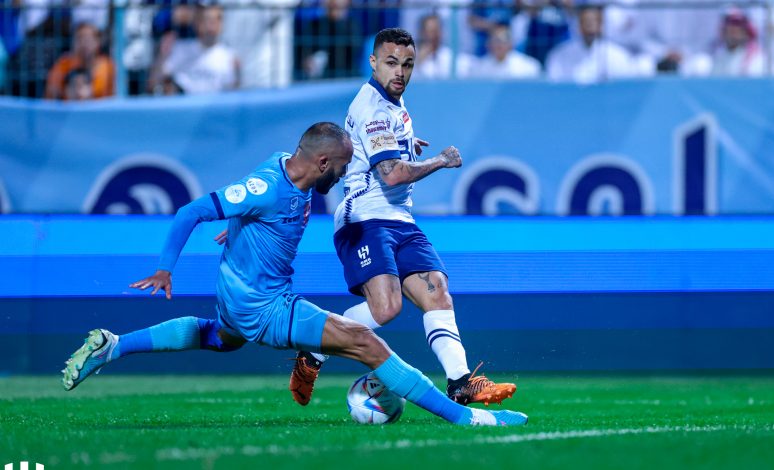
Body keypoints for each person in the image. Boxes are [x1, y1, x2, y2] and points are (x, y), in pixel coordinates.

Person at [60, 122, 528, 428]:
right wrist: (165, 269)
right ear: (323, 163)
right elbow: (190, 211)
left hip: (237, 298)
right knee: (367, 343)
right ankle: (465, 419)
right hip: (263, 306)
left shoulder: (290, 165)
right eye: (342, 169)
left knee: (220, 337)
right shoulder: (269, 186)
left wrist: (241, 227)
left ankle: (114, 344)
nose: (344, 177)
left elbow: (257, 209)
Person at [289, 28, 517, 408]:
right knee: (387, 308)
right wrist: (440, 161)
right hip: (364, 218)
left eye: (408, 64)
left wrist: (406, 145)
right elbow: (392, 174)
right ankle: (313, 349)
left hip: (398, 218)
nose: (400, 71)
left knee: (437, 291)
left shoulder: (393, 104)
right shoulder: (373, 108)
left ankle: (461, 382)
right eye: (392, 63)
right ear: (373, 62)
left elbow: (386, 157)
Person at [148, 4, 240, 94]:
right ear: (197, 23)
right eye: (207, 19)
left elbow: (233, 92)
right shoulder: (181, 49)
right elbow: (153, 83)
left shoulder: (230, 57)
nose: (212, 24)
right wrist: (163, 55)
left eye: (217, 18)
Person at [546, 3, 640, 83]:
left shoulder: (617, 55)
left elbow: (623, 86)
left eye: (593, 21)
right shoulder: (560, 55)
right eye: (585, 21)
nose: (589, 26)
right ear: (578, 24)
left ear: (601, 24)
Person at [45, 22, 115, 100]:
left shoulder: (106, 65)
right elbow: (52, 91)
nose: (83, 44)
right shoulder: (64, 63)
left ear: (97, 42)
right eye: (79, 38)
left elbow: (99, 92)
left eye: (88, 39)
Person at [468, 23, 541, 79]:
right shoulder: (480, 67)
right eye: (494, 41)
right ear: (488, 44)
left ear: (510, 44)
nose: (497, 45)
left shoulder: (528, 66)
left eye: (501, 41)